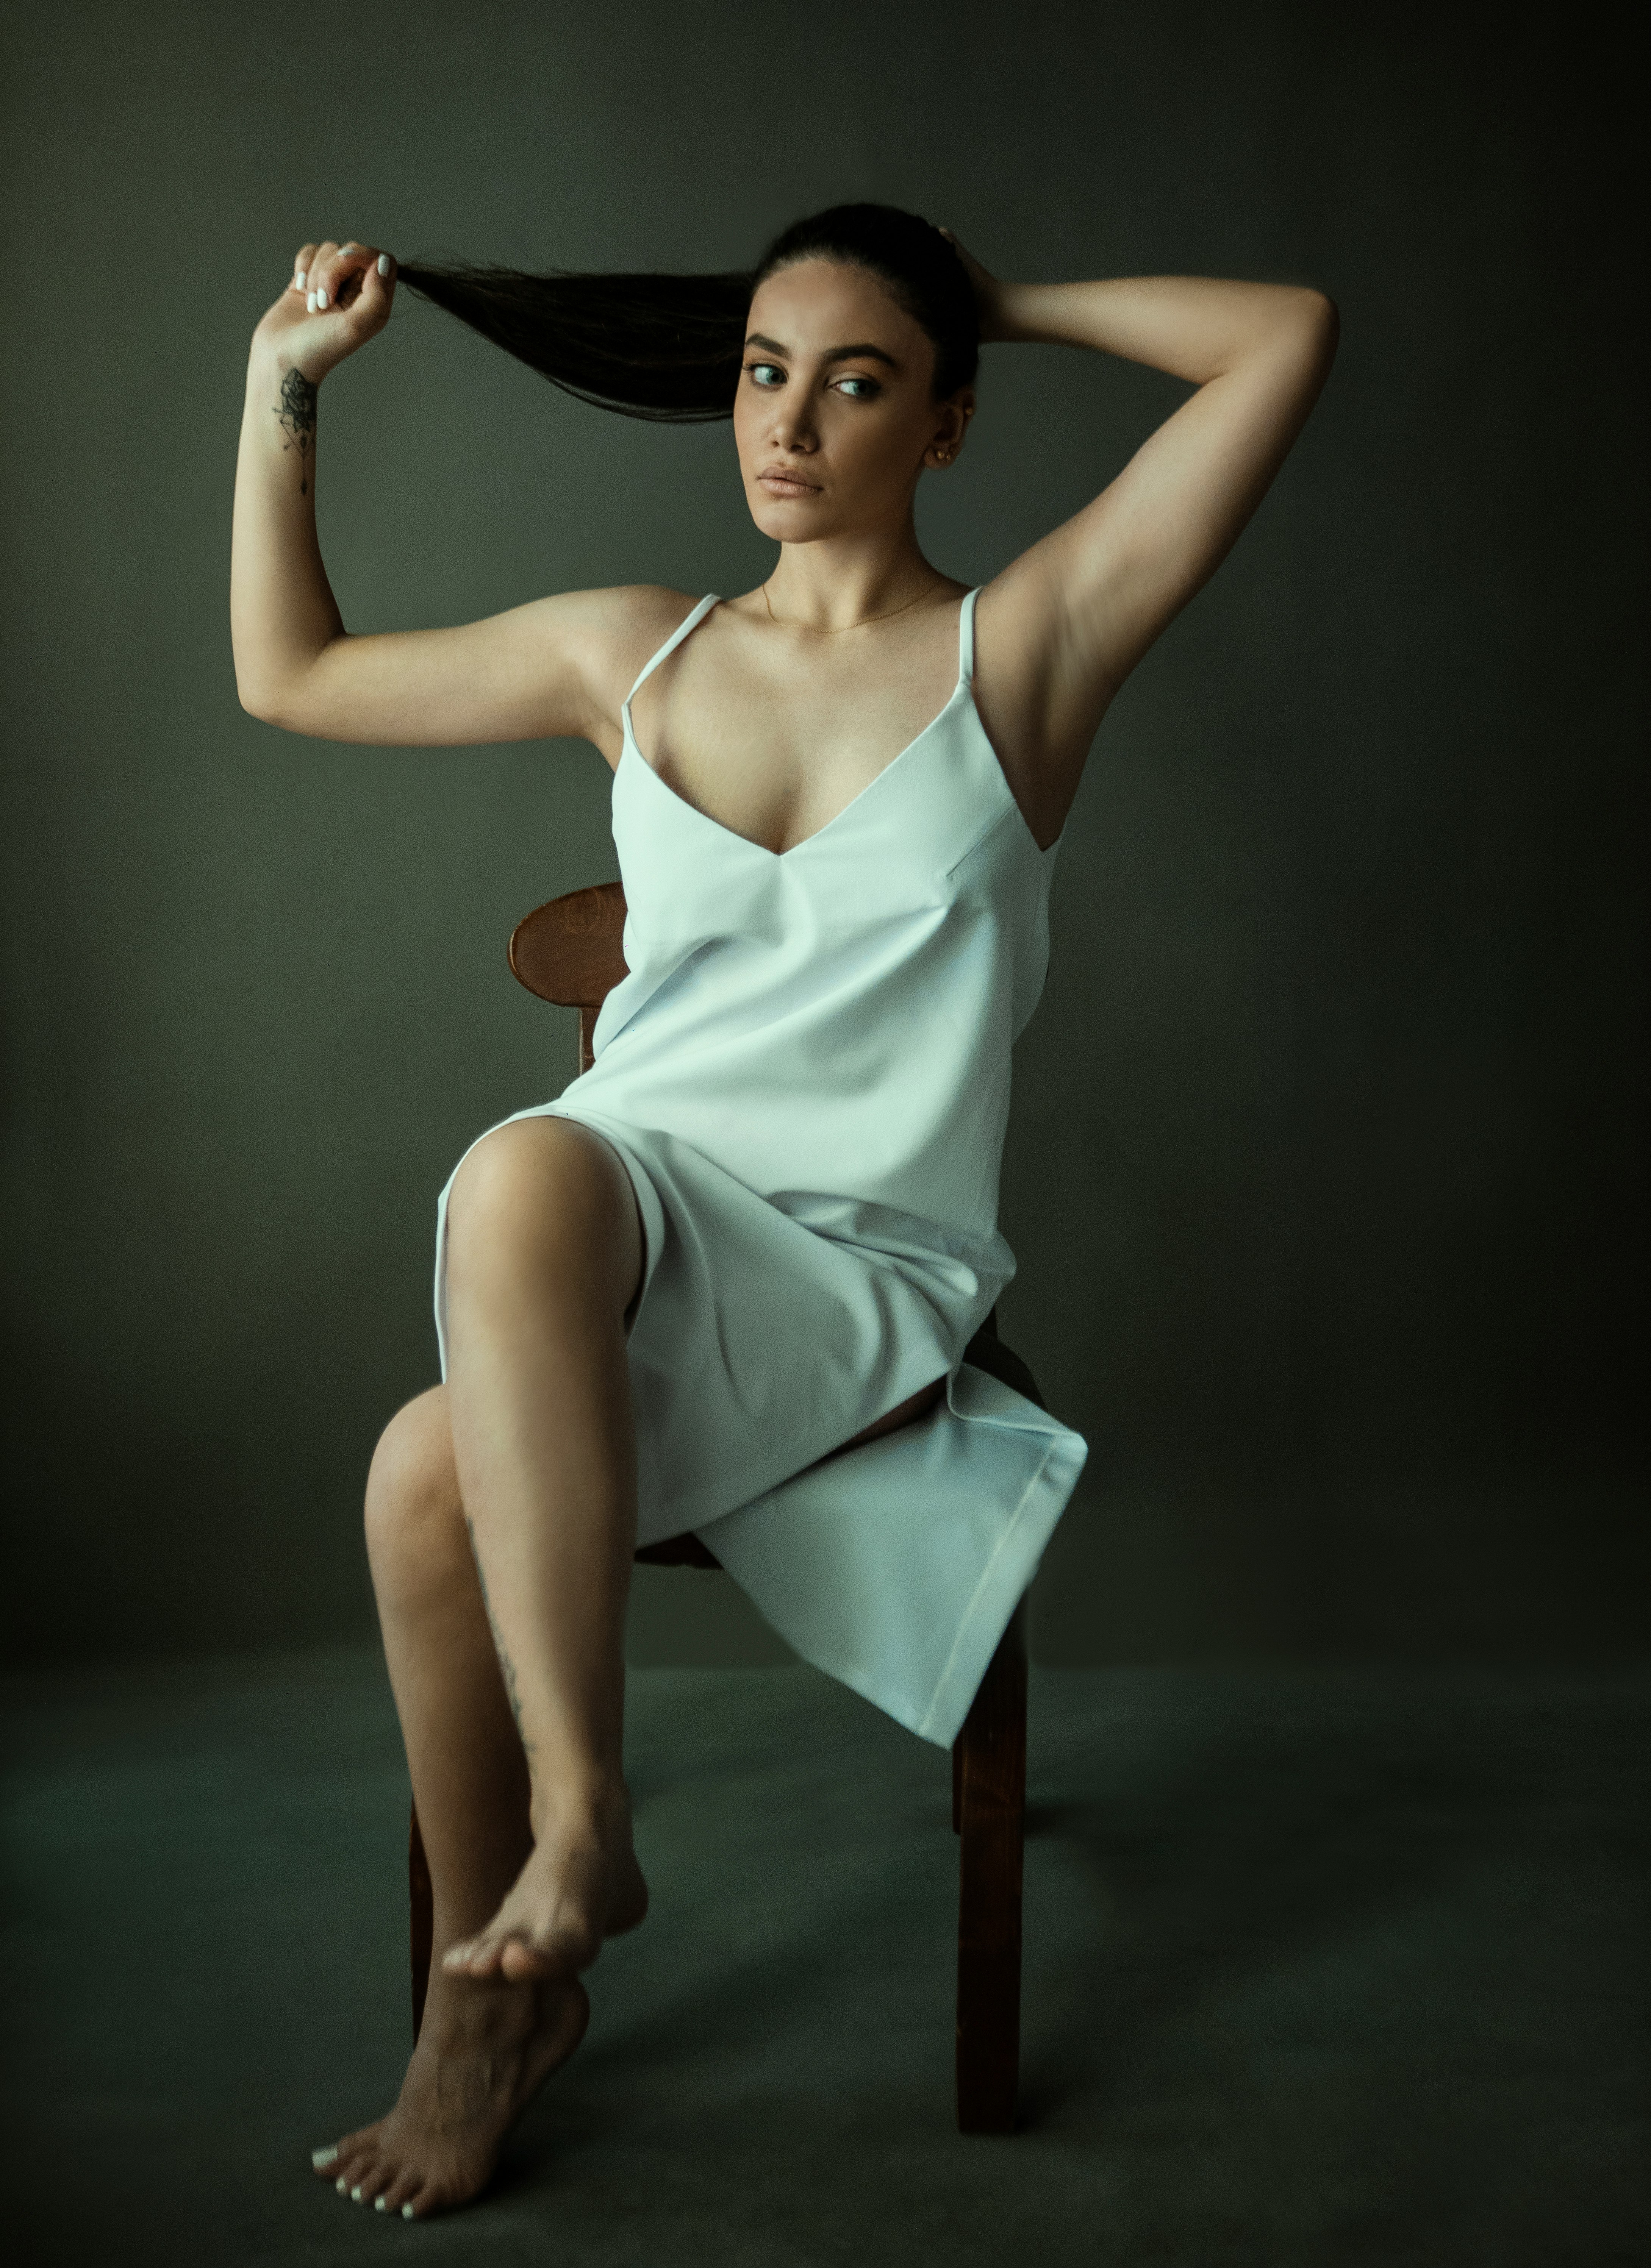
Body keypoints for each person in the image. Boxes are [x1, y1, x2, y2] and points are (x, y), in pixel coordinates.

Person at [230, 202, 1337, 2220]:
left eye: (858, 377)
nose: (792, 419)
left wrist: (974, 286)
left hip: (857, 1276)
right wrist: (276, 392)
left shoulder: (1031, 645)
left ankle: (583, 1816)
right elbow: (286, 676)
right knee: (418, 1464)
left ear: (946, 423)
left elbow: (1283, 332)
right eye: (762, 366)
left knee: (515, 1176)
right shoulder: (629, 648)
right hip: (615, 1253)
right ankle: (495, 1991)